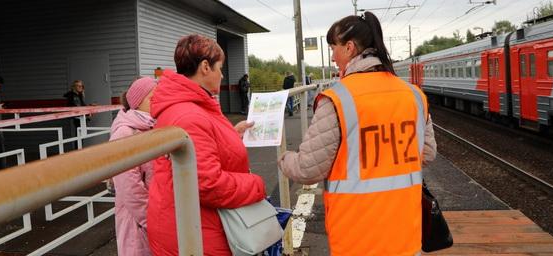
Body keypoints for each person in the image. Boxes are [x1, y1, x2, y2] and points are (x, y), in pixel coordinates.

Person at [278, 12, 437, 255]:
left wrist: (283, 157)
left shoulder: (337, 99)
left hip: (357, 236)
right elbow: (427, 152)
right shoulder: (413, 95)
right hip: (406, 232)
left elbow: (307, 169)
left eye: (334, 48)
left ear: (349, 48)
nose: (332, 57)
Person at [147, 34, 266, 255]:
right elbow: (208, 185)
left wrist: (230, 134)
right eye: (220, 67)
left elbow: (202, 147)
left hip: (186, 224)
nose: (222, 74)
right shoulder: (190, 114)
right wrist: (256, 185)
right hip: (198, 233)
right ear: (205, 67)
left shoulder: (186, 105)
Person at [109, 77, 157, 256]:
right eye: (152, 98)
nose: (157, 102)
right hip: (137, 219)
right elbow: (129, 187)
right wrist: (150, 220)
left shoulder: (152, 126)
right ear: (137, 103)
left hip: (154, 214)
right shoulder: (125, 132)